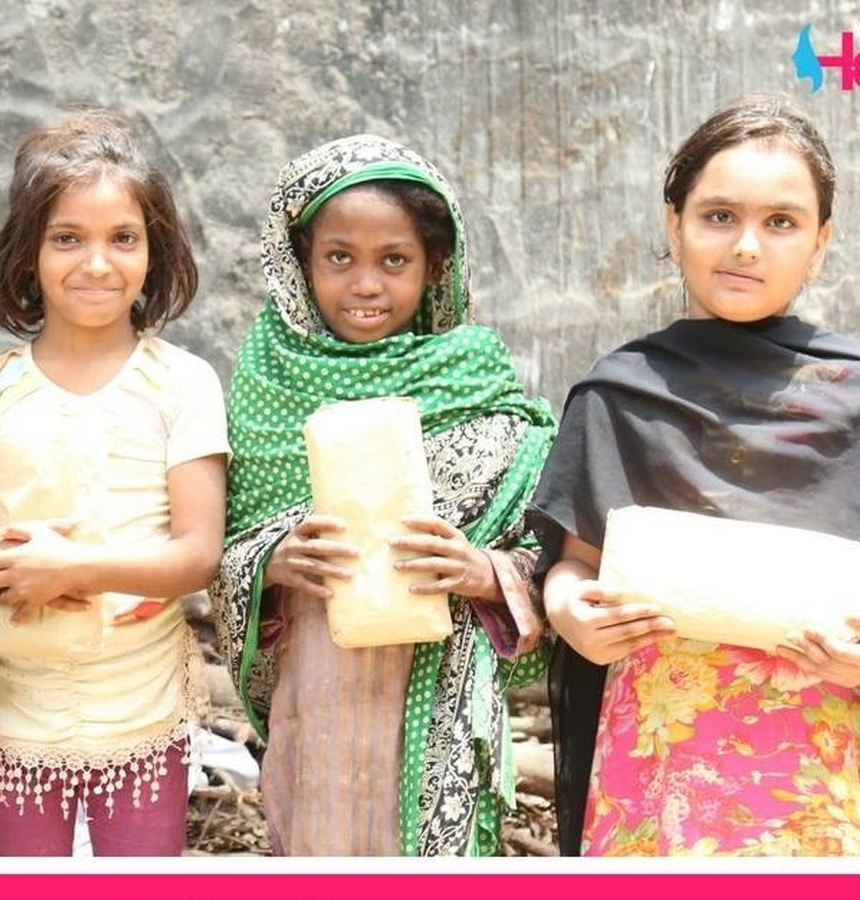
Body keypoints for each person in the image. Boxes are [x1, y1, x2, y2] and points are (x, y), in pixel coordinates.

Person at [530, 94, 860, 856]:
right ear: (673, 224)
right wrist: (574, 614)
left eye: (781, 222)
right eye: (719, 216)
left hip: (825, 769)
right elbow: (574, 564)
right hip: (660, 766)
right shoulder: (622, 392)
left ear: (821, 242)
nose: (746, 245)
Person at [210, 134, 556, 856]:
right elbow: (230, 543)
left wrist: (485, 571)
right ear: (301, 261)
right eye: (340, 258)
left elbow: (546, 546)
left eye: (394, 260)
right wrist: (271, 562)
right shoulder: (270, 376)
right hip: (319, 683)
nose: (366, 284)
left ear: (434, 267)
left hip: (441, 686)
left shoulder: (474, 374)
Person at [0, 110, 228, 857]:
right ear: (27, 253)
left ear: (155, 251)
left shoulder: (182, 385)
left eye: (123, 238)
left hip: (140, 702)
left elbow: (198, 553)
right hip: (15, 702)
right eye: (67, 238)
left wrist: (75, 569)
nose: (97, 263)